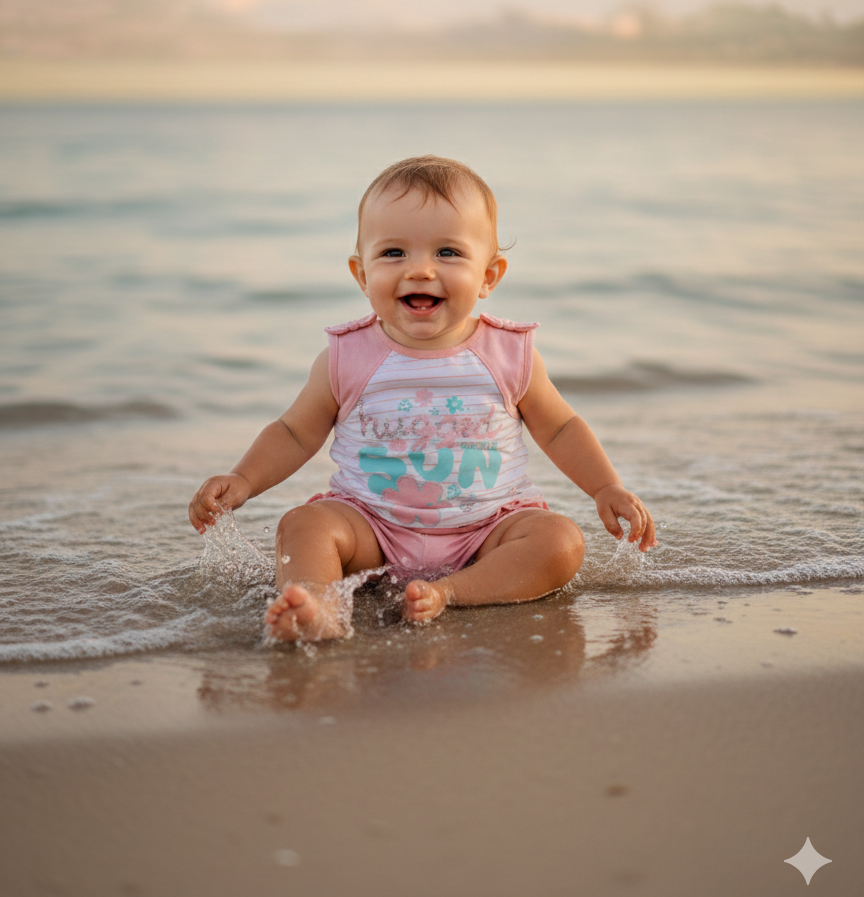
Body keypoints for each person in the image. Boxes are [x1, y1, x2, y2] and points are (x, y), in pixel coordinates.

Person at [188, 155, 656, 641]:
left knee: (560, 542)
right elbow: (293, 432)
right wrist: (244, 478)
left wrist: (605, 487)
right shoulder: (346, 357)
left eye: (448, 252)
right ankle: (318, 608)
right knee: (304, 525)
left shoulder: (510, 354)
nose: (420, 270)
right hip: (372, 527)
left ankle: (452, 591)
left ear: (489, 275)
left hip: (486, 532)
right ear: (361, 274)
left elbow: (559, 428)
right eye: (393, 253)